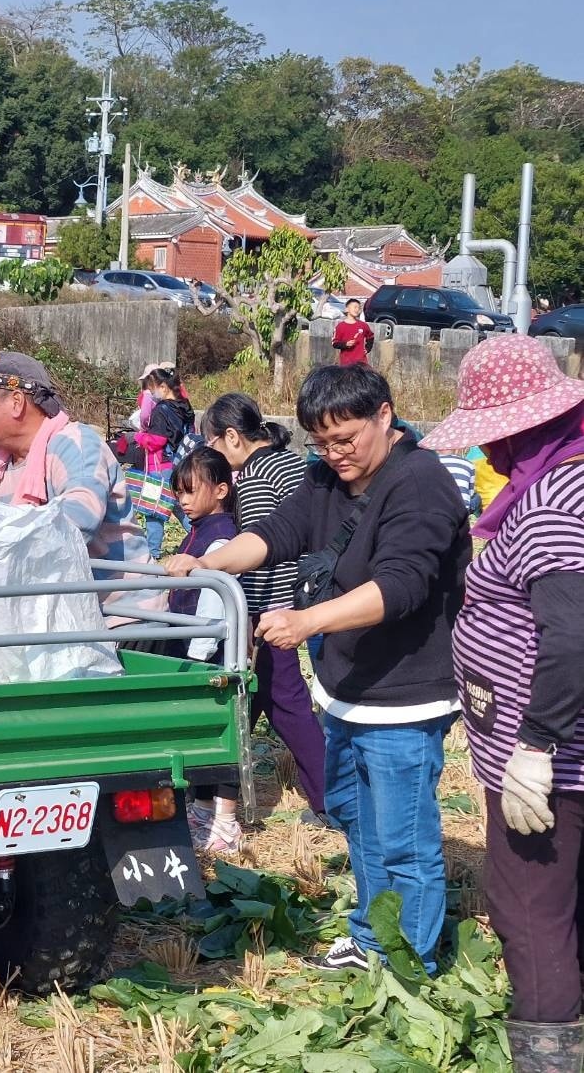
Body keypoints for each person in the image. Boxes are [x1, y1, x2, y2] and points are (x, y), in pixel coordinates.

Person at [166, 365, 470, 976]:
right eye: (322, 444)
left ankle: (408, 960)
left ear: (385, 415)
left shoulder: (422, 483)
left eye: (346, 440)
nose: (335, 455)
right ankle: (370, 935)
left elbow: (400, 588)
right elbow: (278, 534)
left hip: (405, 693)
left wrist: (307, 621)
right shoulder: (325, 479)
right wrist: (206, 562)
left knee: (404, 836)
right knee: (357, 818)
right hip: (345, 688)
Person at [420, 335, 584, 1069]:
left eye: (494, 437)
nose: (486, 454)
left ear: (524, 428)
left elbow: (572, 633)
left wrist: (535, 747)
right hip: (552, 745)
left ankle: (547, 1052)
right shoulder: (565, 479)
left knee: (529, 910)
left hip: (552, 757)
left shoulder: (552, 501)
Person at [197, 393, 329, 845]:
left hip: (276, 606)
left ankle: (331, 799)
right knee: (250, 700)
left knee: (286, 703)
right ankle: (211, 791)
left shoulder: (253, 477)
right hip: (309, 593)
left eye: (211, 444)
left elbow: (263, 553)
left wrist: (251, 618)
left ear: (231, 437)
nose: (209, 457)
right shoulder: (291, 464)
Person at [0, 351, 160, 617]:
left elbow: (80, 518)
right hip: (56, 618)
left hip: (123, 615)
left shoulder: (74, 443)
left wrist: (1, 547)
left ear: (16, 402)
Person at [167, 447, 243, 852]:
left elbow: (215, 599)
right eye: (179, 492)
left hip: (212, 653)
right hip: (195, 648)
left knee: (223, 732)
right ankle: (200, 811)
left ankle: (226, 823)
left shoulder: (221, 538)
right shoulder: (197, 530)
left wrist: (198, 650)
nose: (183, 500)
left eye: (191, 491)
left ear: (220, 490)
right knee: (200, 735)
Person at [134, 367, 194, 556]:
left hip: (160, 465)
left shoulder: (161, 410)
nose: (151, 393)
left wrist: (137, 438)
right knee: (178, 506)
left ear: (163, 387)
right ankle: (198, 534)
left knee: (154, 510)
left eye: (152, 388)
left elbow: (157, 441)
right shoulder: (186, 407)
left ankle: (153, 552)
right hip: (181, 463)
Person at [333, 298, 375, 368]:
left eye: (358, 308)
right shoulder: (340, 326)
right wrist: (345, 344)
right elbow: (335, 343)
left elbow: (370, 336)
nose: (357, 309)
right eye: (355, 307)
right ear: (346, 309)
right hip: (346, 363)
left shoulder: (363, 325)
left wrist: (367, 348)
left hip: (362, 363)